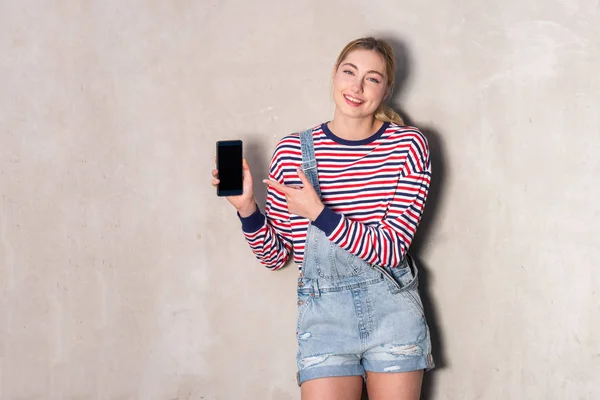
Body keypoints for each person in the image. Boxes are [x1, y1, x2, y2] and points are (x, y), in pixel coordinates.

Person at [212, 37, 434, 400]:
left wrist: (318, 212)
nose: (357, 87)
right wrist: (247, 209)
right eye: (350, 72)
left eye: (372, 79)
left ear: (387, 89)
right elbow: (276, 257)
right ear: (334, 74)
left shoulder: (407, 147)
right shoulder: (292, 152)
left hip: (392, 313)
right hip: (323, 320)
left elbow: (392, 249)